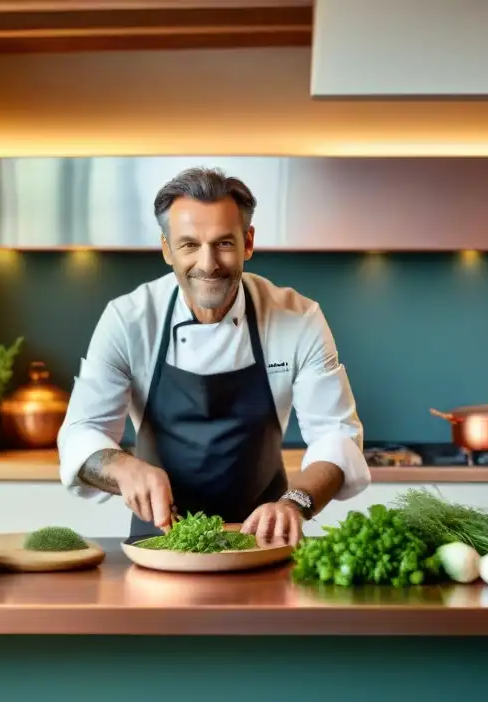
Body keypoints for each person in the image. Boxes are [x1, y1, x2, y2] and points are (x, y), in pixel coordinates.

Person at [57, 166, 370, 546]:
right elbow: (80, 434)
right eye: (189, 244)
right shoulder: (128, 320)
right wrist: (124, 469)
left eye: (223, 243)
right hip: (158, 543)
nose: (208, 264)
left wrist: (294, 503)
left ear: (248, 242)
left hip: (264, 540)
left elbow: (336, 435)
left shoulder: (298, 319)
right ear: (167, 249)